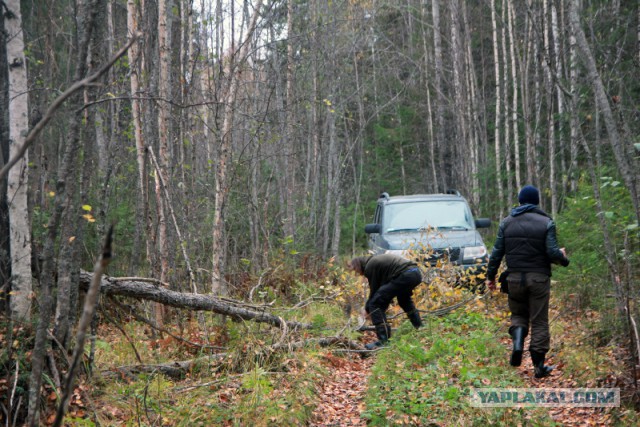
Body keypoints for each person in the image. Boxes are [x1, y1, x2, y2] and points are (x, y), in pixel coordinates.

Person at [485, 185, 570, 378]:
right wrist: (563, 257)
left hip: (514, 279)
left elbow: (496, 253)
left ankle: (517, 346)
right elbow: (552, 252)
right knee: (539, 320)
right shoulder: (546, 222)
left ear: (520, 200)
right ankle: (539, 366)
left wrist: (490, 277)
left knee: (518, 315)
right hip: (538, 279)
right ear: (537, 200)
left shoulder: (506, 223)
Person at [348, 254, 423, 350]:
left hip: (406, 274)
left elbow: (375, 291)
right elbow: (384, 291)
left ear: (358, 265)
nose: (357, 273)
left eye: (355, 270)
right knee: (404, 300)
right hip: (415, 273)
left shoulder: (370, 266)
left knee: (375, 304)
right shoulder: (375, 262)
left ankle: (384, 340)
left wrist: (367, 309)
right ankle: (420, 328)